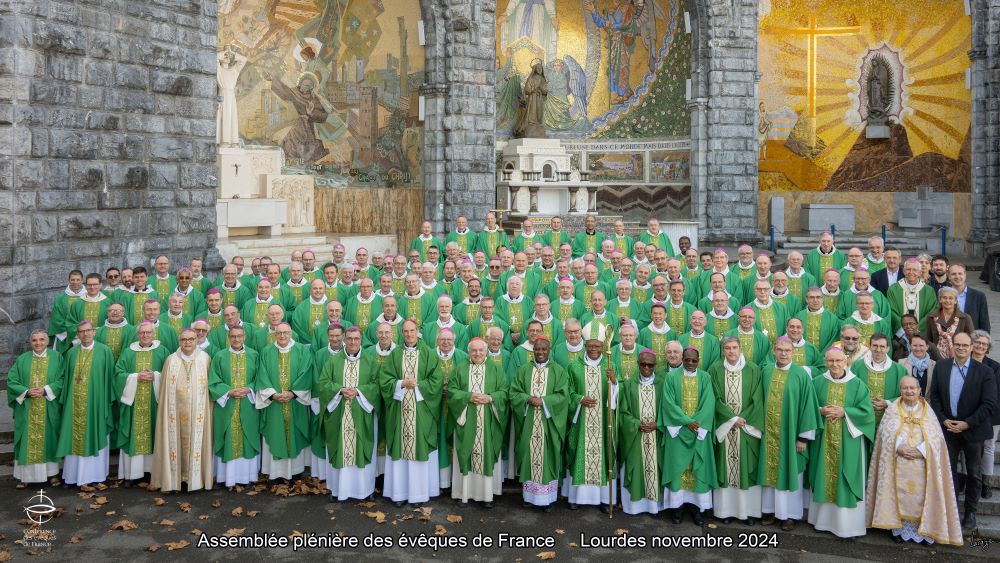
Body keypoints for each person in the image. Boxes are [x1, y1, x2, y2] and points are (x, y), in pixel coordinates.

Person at [866, 376, 964, 545]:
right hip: (897, 460)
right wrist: (899, 447)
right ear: (901, 390)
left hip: (923, 463)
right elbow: (885, 434)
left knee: (922, 495)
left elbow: (936, 439)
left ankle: (925, 532)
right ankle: (898, 529)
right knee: (898, 493)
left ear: (919, 390)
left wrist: (922, 450)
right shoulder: (893, 410)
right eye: (905, 388)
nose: (909, 391)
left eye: (913, 388)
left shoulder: (928, 411)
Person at [927, 332, 998, 530]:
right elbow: (935, 397)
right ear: (952, 346)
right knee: (949, 472)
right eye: (957, 345)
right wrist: (943, 420)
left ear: (972, 347)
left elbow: (989, 404)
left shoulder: (985, 372)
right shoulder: (941, 366)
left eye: (965, 345)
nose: (961, 348)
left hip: (974, 431)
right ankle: (951, 511)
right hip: (948, 429)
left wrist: (968, 423)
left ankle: (970, 513)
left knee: (974, 473)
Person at [807, 346, 875, 539]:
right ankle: (822, 521)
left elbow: (867, 413)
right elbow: (809, 406)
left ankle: (848, 526)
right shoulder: (818, 382)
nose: (834, 365)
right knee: (824, 475)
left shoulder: (858, 384)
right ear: (826, 362)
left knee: (845, 479)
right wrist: (821, 410)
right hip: (824, 440)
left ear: (846, 361)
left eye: (838, 361)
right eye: (830, 361)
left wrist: (845, 412)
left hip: (849, 441)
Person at [759, 337, 820, 531]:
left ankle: (789, 515)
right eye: (780, 350)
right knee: (770, 473)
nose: (783, 353)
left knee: (790, 471)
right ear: (774, 351)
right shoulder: (767, 371)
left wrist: (803, 437)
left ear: (793, 352)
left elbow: (808, 407)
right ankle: (769, 510)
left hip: (791, 435)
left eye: (787, 350)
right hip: (769, 434)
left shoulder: (801, 375)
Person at [380, 320, 442, 507]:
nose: (409, 334)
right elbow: (385, 380)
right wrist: (400, 384)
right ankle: (399, 493)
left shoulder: (429, 353)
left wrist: (417, 385)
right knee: (400, 451)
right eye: (405, 331)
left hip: (421, 410)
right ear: (401, 333)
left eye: (412, 331)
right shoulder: (394, 354)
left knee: (419, 450)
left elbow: (436, 380)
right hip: (399, 412)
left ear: (418, 332)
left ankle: (418, 495)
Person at [316, 326, 380, 501]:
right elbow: (323, 383)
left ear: (361, 340)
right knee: (340, 448)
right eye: (350, 338)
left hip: (362, 413)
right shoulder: (333, 361)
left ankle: (365, 491)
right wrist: (340, 390)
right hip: (339, 413)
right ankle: (338, 491)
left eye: (356, 339)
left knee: (362, 448)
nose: (352, 342)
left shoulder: (370, 361)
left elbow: (377, 385)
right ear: (345, 339)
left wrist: (359, 391)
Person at [150, 328, 214, 492]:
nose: (187, 342)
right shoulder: (171, 360)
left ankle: (196, 480)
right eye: (184, 340)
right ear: (179, 341)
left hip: (198, 413)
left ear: (196, 340)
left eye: (191, 339)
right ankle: (174, 480)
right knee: (174, 442)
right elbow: (164, 392)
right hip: (174, 413)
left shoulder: (205, 359)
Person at [708, 337, 764, 525]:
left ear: (741, 349)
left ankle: (747, 512)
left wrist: (743, 419)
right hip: (726, 427)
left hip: (746, 427)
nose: (731, 351)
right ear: (723, 350)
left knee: (746, 469)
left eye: (734, 348)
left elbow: (757, 397)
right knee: (726, 468)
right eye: (727, 348)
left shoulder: (753, 369)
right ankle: (725, 512)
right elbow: (713, 396)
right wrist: (732, 418)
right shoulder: (715, 369)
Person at [564, 325, 619, 513]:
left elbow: (617, 398)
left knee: (604, 454)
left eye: (597, 346)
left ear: (603, 346)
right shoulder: (574, 366)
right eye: (590, 346)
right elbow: (568, 392)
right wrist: (579, 399)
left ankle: (604, 498)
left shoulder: (610, 366)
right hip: (582, 420)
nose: (594, 350)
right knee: (579, 451)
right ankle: (575, 497)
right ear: (585, 345)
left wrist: (614, 382)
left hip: (603, 421)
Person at [448, 339, 508, 508]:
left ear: (486, 351)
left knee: (486, 453)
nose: (477, 353)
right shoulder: (460, 369)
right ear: (469, 352)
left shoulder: (496, 369)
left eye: (481, 350)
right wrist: (468, 397)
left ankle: (486, 495)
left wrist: (490, 398)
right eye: (474, 351)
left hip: (488, 418)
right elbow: (452, 391)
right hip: (466, 420)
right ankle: (463, 493)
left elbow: (504, 391)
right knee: (466, 451)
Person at [510, 337, 569, 512]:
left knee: (548, 456)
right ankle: (528, 497)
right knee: (528, 455)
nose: (540, 353)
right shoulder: (523, 370)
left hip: (549, 424)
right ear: (533, 351)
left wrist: (543, 402)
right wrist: (527, 398)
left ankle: (549, 499)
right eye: (537, 350)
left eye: (544, 349)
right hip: (528, 422)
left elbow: (563, 396)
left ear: (549, 350)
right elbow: (514, 393)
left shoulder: (558, 371)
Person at [660, 347, 716, 525]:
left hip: (699, 431)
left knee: (697, 471)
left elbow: (709, 403)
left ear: (698, 360)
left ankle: (697, 508)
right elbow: (668, 403)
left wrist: (696, 424)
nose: (690, 363)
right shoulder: (671, 377)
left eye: (694, 360)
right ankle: (677, 507)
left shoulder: (705, 377)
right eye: (687, 360)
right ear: (682, 359)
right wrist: (686, 422)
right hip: (678, 432)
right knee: (678, 469)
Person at [57, 321, 116, 487]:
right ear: (78, 334)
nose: (85, 334)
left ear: (94, 332)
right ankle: (72, 476)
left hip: (96, 404)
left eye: (88, 331)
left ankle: (96, 475)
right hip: (73, 404)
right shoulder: (71, 353)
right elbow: (65, 378)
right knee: (72, 435)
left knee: (95, 432)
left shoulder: (105, 352)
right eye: (81, 332)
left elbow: (111, 379)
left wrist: (105, 401)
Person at [113, 322, 170, 486]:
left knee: (155, 432)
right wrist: (135, 377)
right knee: (134, 434)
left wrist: (156, 376)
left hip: (155, 401)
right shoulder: (128, 352)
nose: (145, 335)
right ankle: (133, 474)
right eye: (142, 333)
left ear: (154, 334)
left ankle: (154, 472)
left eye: (148, 333)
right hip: (134, 402)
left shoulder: (162, 351)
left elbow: (170, 372)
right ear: (137, 335)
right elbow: (118, 374)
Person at [257, 323, 314, 483]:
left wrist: (293, 393)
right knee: (275, 433)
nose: (282, 336)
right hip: (274, 404)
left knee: (294, 433)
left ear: (291, 333)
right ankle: (274, 474)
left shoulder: (302, 350)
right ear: (274, 334)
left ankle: (296, 472)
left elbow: (306, 373)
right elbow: (262, 375)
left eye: (285, 333)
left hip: (295, 402)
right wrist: (273, 395)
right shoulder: (266, 352)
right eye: (279, 333)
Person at [8, 330, 65, 488]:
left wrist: (46, 390)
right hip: (27, 408)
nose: (38, 343)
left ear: (47, 341)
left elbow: (62, 379)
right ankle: (24, 477)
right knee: (25, 440)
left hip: (48, 406)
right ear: (30, 342)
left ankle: (52, 474)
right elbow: (12, 381)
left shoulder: (57, 357)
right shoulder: (22, 359)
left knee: (50, 439)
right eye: (34, 340)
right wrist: (26, 392)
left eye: (41, 340)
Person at [208, 325, 263, 488]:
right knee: (227, 437)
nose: (236, 339)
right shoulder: (219, 356)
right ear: (228, 338)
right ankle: (225, 477)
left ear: (245, 336)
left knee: (247, 436)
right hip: (227, 405)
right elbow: (213, 381)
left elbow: (261, 378)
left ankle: (247, 477)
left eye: (239, 336)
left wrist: (249, 389)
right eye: (233, 336)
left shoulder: (254, 355)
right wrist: (228, 392)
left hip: (248, 403)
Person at [618, 349, 665, 515]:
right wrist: (636, 424)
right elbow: (623, 414)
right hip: (635, 436)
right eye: (643, 364)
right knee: (636, 467)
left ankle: (654, 506)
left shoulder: (663, 384)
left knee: (655, 469)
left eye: (650, 365)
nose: (646, 368)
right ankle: (634, 507)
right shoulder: (630, 384)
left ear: (655, 366)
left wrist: (658, 424)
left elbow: (669, 411)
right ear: (638, 364)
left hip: (656, 435)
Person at [852, 333, 907, 430]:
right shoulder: (857, 367)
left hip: (890, 420)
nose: (878, 350)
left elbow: (907, 395)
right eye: (875, 346)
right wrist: (865, 402)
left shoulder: (900, 370)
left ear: (888, 349)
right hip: (863, 418)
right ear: (869, 347)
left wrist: (888, 402)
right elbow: (850, 392)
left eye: (882, 346)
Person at [971, 330, 1000, 499]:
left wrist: (984, 412)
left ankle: (986, 482)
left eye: (984, 344)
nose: (981, 346)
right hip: (967, 414)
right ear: (972, 344)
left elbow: (996, 393)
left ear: (988, 347)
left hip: (991, 415)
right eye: (978, 342)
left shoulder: (995, 367)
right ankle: (966, 478)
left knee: (988, 448)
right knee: (966, 448)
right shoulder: (964, 362)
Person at [888, 259, 938, 334]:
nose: (911, 272)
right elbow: (892, 311)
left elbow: (931, 312)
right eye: (908, 269)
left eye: (915, 270)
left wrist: (917, 329)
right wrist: (904, 328)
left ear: (920, 272)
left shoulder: (929, 291)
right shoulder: (893, 289)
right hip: (900, 333)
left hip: (921, 334)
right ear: (904, 271)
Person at [925, 286, 974, 359]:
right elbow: (928, 340)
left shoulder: (965, 318)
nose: (947, 300)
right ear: (940, 300)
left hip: (958, 358)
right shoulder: (931, 317)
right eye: (944, 297)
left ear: (955, 301)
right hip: (936, 358)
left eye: (950, 298)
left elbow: (971, 340)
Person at [48, 270, 85, 353]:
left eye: (78, 280)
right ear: (69, 281)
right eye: (73, 280)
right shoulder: (60, 299)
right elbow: (56, 320)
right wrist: (73, 332)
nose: (75, 282)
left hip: (86, 335)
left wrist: (83, 331)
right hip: (66, 336)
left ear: (82, 280)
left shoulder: (88, 296)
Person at [795, 286, 841, 351]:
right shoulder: (799, 316)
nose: (815, 300)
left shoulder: (832, 319)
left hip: (825, 357)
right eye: (811, 297)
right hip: (805, 355)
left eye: (818, 297)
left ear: (823, 299)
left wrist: (823, 356)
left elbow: (834, 340)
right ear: (806, 299)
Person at [949, 264, 990, 331]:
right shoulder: (943, 295)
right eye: (953, 274)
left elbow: (984, 323)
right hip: (948, 338)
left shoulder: (979, 296)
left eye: (960, 273)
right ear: (949, 276)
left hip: (972, 338)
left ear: (965, 275)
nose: (957, 276)